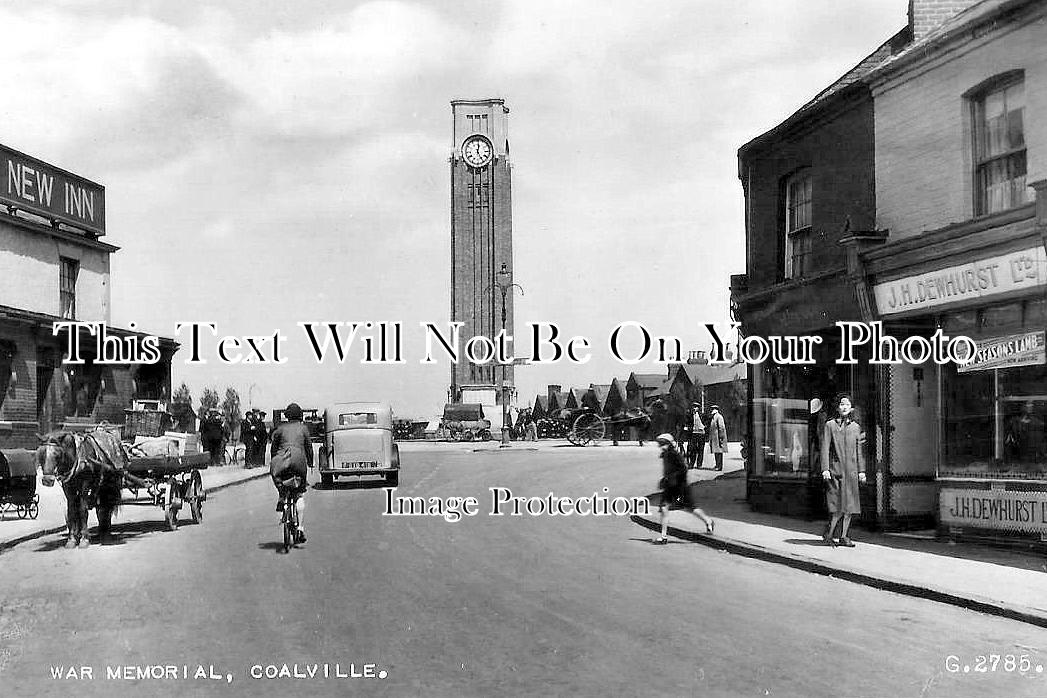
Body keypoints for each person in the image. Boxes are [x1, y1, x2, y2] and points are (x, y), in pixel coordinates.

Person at [821, 394, 866, 547]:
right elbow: (825, 448)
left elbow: (859, 451)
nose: (845, 407)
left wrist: (862, 471)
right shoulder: (830, 425)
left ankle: (844, 536)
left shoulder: (856, 427)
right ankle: (829, 533)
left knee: (849, 507)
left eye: (848, 405)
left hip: (851, 472)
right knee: (837, 506)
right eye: (842, 404)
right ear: (837, 407)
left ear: (852, 408)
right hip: (836, 471)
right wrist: (825, 468)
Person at [653, 433, 714, 544]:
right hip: (670, 487)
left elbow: (683, 470)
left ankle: (708, 521)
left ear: (669, 444)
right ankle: (663, 536)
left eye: (663, 444)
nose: (661, 446)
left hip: (680, 488)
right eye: (660, 444)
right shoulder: (666, 455)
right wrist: (665, 480)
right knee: (664, 509)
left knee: (690, 508)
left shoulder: (674, 455)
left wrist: (671, 478)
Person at [270, 402, 314, 543]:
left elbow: (273, 448)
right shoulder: (303, 429)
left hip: (282, 459)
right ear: (300, 416)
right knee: (299, 493)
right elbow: (309, 448)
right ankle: (300, 528)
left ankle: (282, 496)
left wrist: (274, 461)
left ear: (287, 416)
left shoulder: (280, 429)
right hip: (298, 460)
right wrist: (311, 462)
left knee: (279, 479)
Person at [686, 402, 707, 468]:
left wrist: (704, 426)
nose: (694, 408)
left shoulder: (702, 415)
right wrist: (688, 428)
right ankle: (691, 464)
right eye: (694, 407)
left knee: (701, 449)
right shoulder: (690, 415)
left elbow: (707, 422)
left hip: (701, 434)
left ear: (698, 408)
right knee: (693, 449)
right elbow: (687, 423)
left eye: (696, 407)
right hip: (693, 433)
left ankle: (699, 464)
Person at [708, 405, 728, 471]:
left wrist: (721, 437)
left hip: (718, 438)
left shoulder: (719, 417)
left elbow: (721, 427)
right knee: (716, 452)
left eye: (713, 409)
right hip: (715, 438)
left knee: (719, 452)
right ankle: (717, 465)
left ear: (716, 410)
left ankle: (719, 467)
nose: (711, 410)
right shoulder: (714, 417)